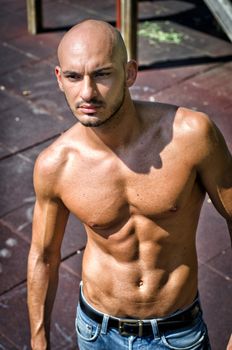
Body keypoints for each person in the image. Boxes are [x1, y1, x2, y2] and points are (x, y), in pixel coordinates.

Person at [27, 19, 232, 350]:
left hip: (177, 332)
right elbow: (43, 256)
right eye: (74, 77)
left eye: (103, 74)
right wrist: (38, 340)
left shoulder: (191, 135)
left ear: (130, 73)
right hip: (96, 331)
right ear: (59, 79)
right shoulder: (56, 165)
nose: (88, 92)